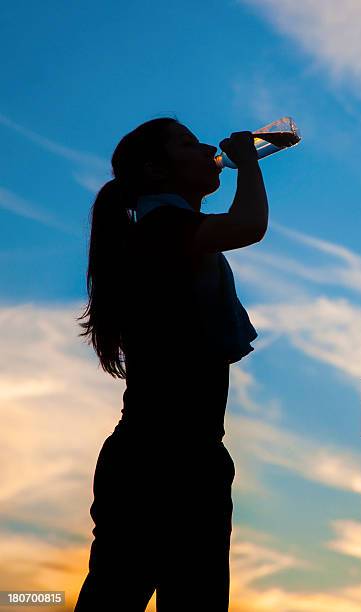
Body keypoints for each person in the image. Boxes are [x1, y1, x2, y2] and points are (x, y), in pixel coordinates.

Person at [74, 117, 267, 611]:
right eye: (186, 143)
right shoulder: (162, 230)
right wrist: (247, 163)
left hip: (170, 456)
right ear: (157, 171)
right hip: (165, 459)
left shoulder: (169, 230)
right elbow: (248, 226)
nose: (205, 147)